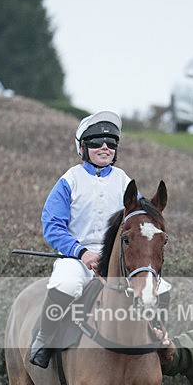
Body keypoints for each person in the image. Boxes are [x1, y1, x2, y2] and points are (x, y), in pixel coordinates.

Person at [30, 111, 132, 368]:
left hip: (116, 257)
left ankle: (161, 345)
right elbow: (52, 226)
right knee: (66, 284)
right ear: (83, 148)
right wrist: (82, 252)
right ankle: (44, 339)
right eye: (97, 142)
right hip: (76, 257)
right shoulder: (69, 180)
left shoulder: (125, 181)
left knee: (159, 288)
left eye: (111, 143)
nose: (105, 147)